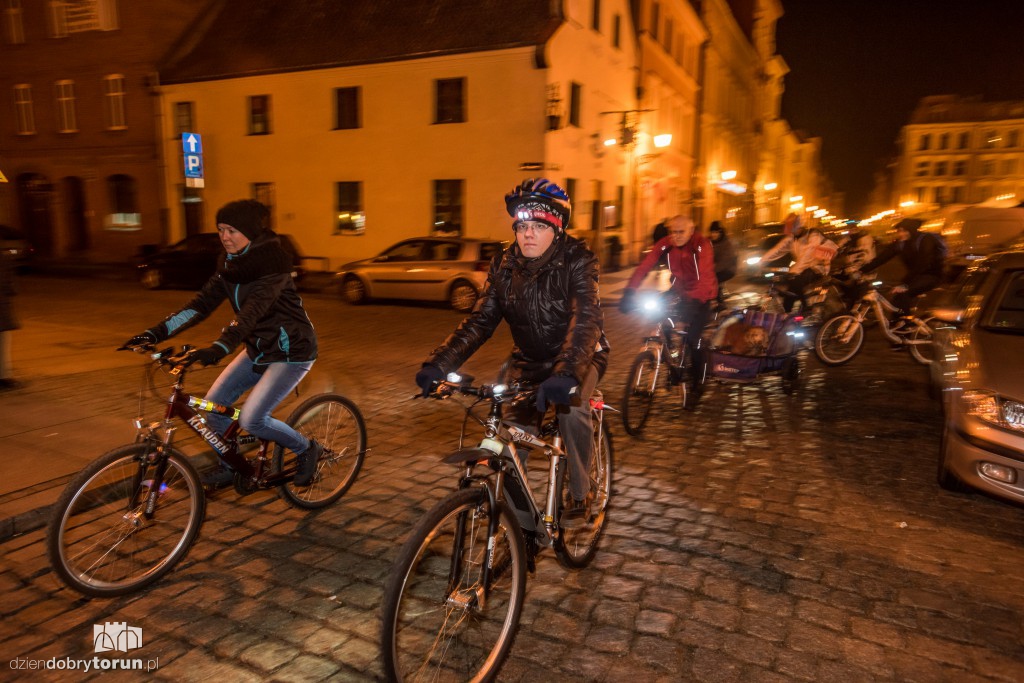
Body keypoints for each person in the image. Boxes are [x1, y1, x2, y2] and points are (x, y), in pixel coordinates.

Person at [414, 178, 609, 528]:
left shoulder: (577, 260)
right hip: (532, 363)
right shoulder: (504, 265)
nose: (527, 234)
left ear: (557, 228)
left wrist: (566, 373)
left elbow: (585, 319)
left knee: (572, 410)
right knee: (507, 435)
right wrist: (439, 363)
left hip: (580, 356)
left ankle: (581, 495)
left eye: (538, 225)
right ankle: (521, 526)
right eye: (521, 226)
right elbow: (480, 322)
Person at [121, 199, 321, 486]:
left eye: (232, 230)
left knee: (253, 419)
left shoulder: (273, 265)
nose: (225, 237)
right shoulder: (229, 265)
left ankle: (306, 448)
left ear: (250, 232)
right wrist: (155, 333)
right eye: (221, 230)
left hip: (291, 352)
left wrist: (220, 348)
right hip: (258, 349)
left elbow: (252, 313)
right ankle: (232, 463)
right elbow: (199, 305)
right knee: (214, 407)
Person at [619, 215, 717, 406]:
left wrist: (694, 301)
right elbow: (645, 265)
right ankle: (672, 359)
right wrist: (629, 292)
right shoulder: (666, 244)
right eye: (673, 231)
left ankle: (697, 384)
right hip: (679, 290)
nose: (676, 236)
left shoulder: (701, 244)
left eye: (681, 232)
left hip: (702, 295)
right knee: (659, 316)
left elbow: (704, 276)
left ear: (691, 230)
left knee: (693, 339)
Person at [858, 217, 946, 330]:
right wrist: (862, 270)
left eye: (903, 230)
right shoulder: (901, 243)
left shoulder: (925, 240)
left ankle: (907, 324)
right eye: (899, 231)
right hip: (915, 276)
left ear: (912, 230)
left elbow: (923, 264)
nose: (900, 234)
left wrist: (905, 284)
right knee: (896, 300)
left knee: (904, 293)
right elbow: (882, 258)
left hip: (932, 275)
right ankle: (897, 331)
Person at [759, 221, 837, 312]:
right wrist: (762, 261)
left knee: (797, 283)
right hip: (803, 268)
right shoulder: (793, 238)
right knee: (790, 290)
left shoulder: (813, 236)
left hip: (818, 268)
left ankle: (807, 309)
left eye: (793, 230)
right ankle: (787, 314)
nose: (791, 233)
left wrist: (795, 271)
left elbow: (807, 256)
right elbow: (778, 249)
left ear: (800, 228)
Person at [0, 250, 18, 390]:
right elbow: (10, 285)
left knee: (4, 340)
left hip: (2, 307)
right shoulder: (4, 257)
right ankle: (4, 376)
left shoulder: (4, 258)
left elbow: (10, 285)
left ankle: (4, 376)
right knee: (3, 341)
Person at [707, 221, 737, 304]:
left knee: (713, 280)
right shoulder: (707, 241)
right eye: (712, 232)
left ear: (720, 233)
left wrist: (711, 270)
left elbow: (724, 262)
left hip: (728, 269)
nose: (713, 234)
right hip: (712, 268)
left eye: (716, 232)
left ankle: (720, 304)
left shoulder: (726, 244)